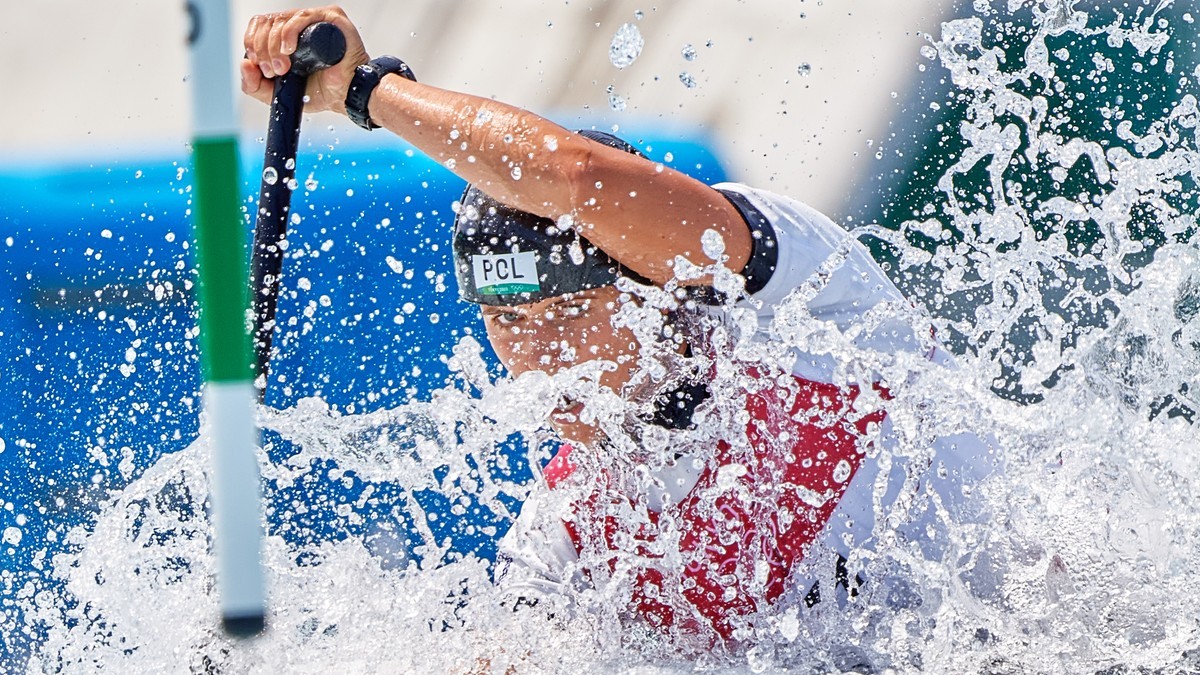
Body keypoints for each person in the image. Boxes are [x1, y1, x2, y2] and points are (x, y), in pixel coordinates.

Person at [241, 6, 1002, 644]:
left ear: (658, 287)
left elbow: (582, 181)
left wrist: (368, 91)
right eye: (507, 320)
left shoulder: (804, 306)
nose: (541, 359)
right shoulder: (569, 533)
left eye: (572, 310)